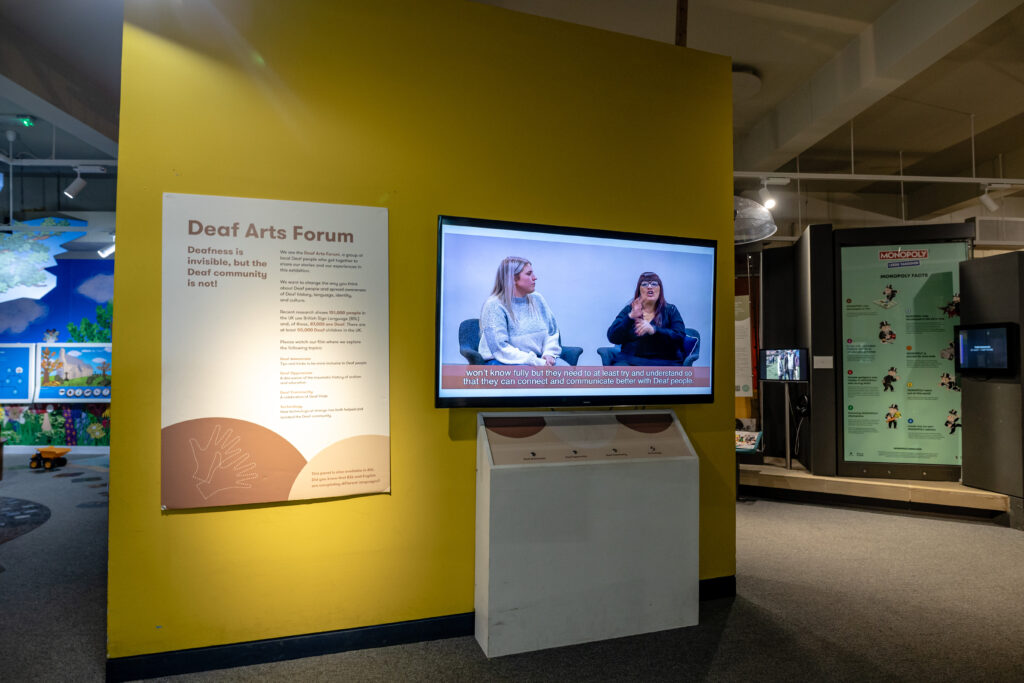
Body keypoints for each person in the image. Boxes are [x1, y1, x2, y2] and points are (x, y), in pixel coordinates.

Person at [478, 256, 563, 366]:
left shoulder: (538, 299)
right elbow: (500, 348)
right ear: (513, 279)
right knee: (530, 377)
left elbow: (552, 331)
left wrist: (549, 353)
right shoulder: (494, 305)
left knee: (566, 372)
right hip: (503, 361)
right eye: (529, 274)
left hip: (536, 359)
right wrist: (535, 362)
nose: (535, 277)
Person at [606, 272, 689, 365]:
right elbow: (612, 337)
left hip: (664, 361)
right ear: (639, 290)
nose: (649, 287)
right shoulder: (629, 310)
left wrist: (653, 330)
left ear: (660, 289)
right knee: (619, 371)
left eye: (654, 283)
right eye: (644, 284)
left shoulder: (670, 310)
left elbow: (679, 337)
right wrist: (630, 317)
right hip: (630, 360)